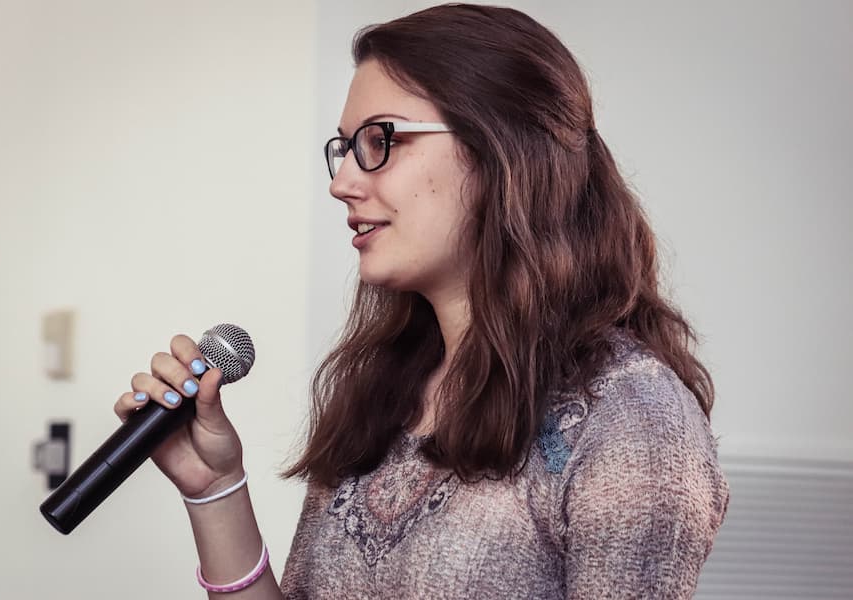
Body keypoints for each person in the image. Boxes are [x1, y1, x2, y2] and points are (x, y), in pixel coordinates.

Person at [115, 4, 729, 598]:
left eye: (380, 140)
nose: (341, 182)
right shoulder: (384, 392)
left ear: (502, 151)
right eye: (345, 148)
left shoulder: (629, 417)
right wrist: (215, 487)